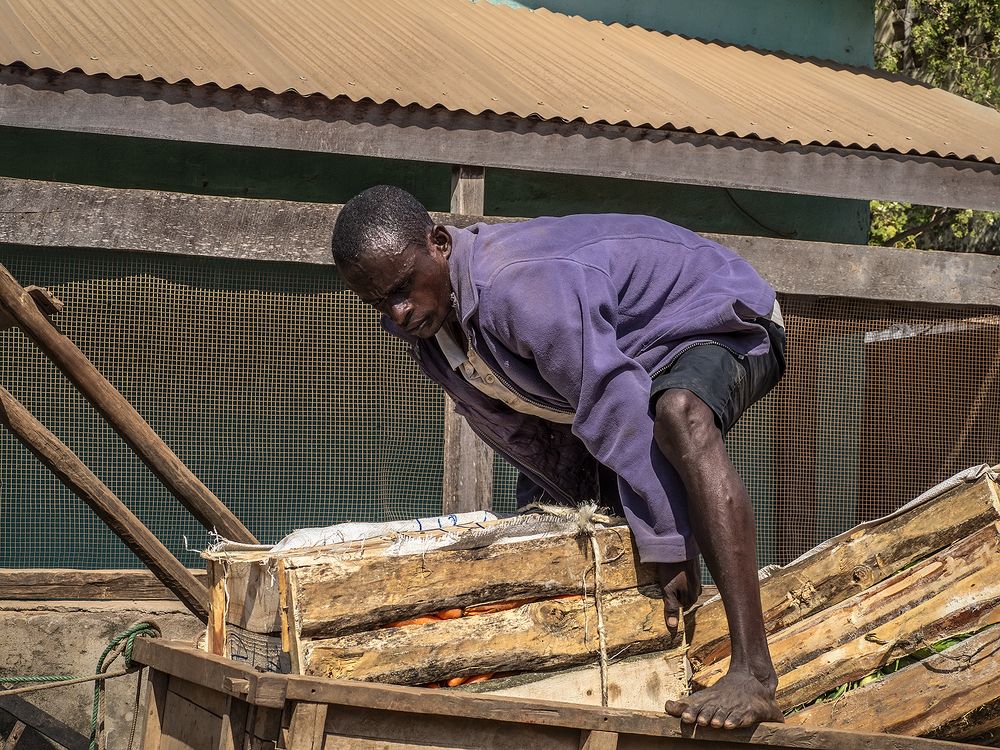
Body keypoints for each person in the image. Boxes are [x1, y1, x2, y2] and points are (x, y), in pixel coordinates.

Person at [330, 185, 787, 729]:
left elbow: (613, 404)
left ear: (439, 244)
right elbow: (529, 438)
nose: (398, 312)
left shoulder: (520, 288)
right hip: (633, 359)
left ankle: (754, 673)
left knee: (680, 415)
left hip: (719, 315)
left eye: (404, 287)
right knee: (582, 502)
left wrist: (669, 537)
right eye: (379, 302)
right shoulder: (436, 335)